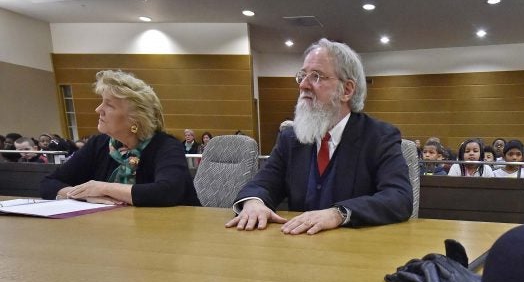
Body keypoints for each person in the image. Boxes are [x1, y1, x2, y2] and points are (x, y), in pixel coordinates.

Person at [227, 38, 412, 235]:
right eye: (302, 75)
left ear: (347, 90)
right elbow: (263, 183)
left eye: (316, 76)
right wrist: (254, 203)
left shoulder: (379, 137)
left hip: (355, 251)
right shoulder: (291, 137)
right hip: (298, 247)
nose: (303, 85)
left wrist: (338, 213)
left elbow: (399, 197)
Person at [40, 70, 200, 206]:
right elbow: (48, 183)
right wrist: (81, 194)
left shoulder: (166, 146)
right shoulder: (98, 144)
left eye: (109, 105)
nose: (98, 109)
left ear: (136, 118)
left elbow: (167, 191)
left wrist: (104, 189)